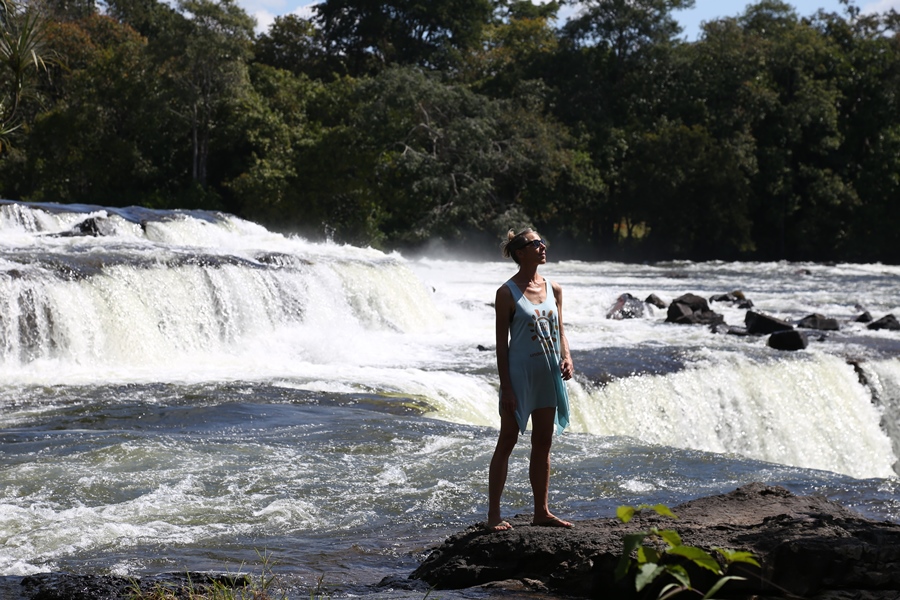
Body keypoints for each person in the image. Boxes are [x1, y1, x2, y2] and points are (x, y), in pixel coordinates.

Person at [487, 228, 574, 532]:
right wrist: (507, 387)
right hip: (520, 376)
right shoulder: (506, 293)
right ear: (520, 252)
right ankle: (493, 515)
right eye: (536, 243)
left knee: (543, 442)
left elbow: (560, 330)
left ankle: (542, 511)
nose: (543, 246)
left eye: (542, 242)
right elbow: (501, 346)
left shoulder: (554, 288)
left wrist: (567, 357)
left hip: (548, 374)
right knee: (507, 441)